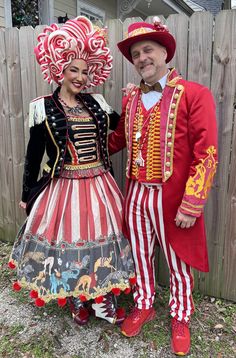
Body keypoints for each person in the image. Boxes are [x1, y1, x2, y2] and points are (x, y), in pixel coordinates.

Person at [8, 16, 135, 327]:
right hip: (64, 187)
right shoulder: (43, 107)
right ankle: (79, 298)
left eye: (84, 72)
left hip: (100, 184)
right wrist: (27, 194)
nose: (80, 77)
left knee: (104, 241)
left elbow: (124, 125)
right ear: (60, 70)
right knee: (72, 244)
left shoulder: (97, 104)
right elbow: (33, 155)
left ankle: (103, 299)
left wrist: (131, 98)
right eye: (73, 70)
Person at [108, 17, 218, 356]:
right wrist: (78, 132)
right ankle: (144, 303)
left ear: (164, 52)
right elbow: (116, 141)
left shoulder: (194, 95)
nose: (142, 58)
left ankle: (181, 314)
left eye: (148, 50)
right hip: (137, 193)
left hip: (172, 199)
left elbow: (207, 152)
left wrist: (192, 202)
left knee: (176, 260)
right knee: (140, 255)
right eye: (136, 54)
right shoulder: (130, 100)